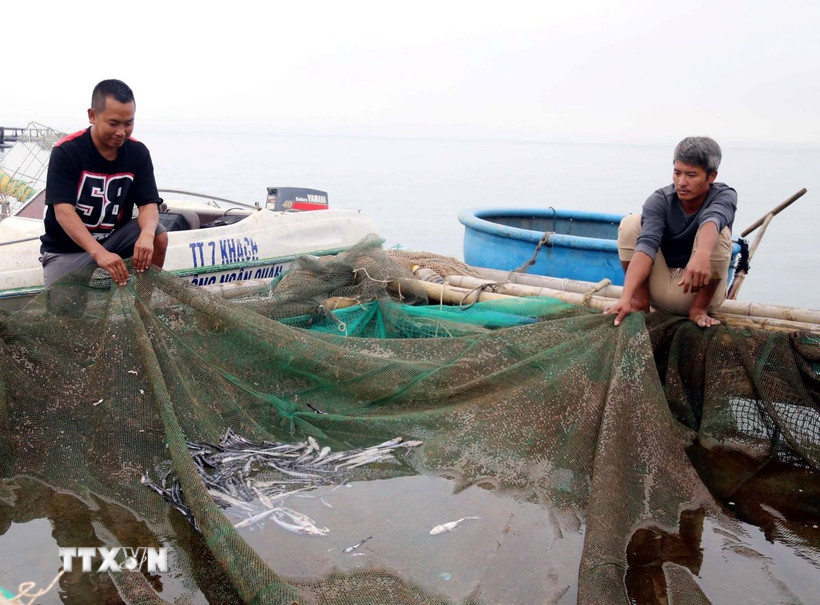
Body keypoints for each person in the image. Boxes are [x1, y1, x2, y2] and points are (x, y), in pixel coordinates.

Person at [40, 79, 168, 288]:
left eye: (128, 123)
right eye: (113, 123)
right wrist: (99, 253)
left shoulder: (138, 153)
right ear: (92, 116)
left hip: (114, 239)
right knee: (65, 316)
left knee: (157, 235)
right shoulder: (67, 151)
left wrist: (146, 235)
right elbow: (63, 211)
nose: (121, 132)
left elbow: (148, 204)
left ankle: (142, 306)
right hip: (67, 249)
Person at [605, 137, 737, 328]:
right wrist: (626, 296)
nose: (681, 182)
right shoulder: (660, 199)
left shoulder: (724, 195)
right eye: (677, 173)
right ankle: (638, 302)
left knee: (719, 231)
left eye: (691, 175)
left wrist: (701, 255)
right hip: (659, 292)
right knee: (631, 222)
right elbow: (647, 245)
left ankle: (698, 310)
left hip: (698, 294)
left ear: (711, 176)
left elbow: (712, 219)